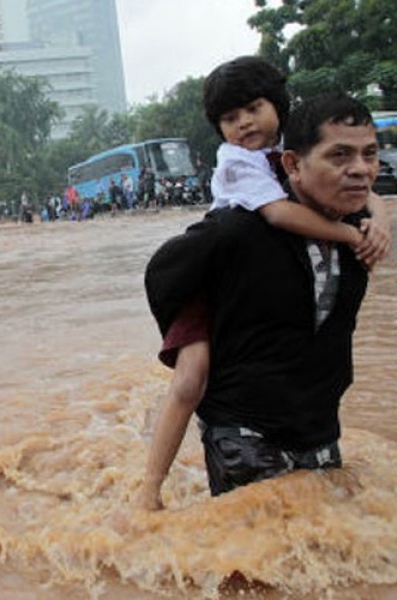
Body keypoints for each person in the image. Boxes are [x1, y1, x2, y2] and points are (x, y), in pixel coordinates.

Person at [138, 92, 389, 507]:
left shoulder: (361, 236)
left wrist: (380, 217)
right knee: (255, 563)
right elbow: (164, 269)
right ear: (293, 164)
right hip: (244, 432)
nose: (360, 170)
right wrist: (193, 338)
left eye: (369, 154)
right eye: (340, 156)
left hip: (319, 429)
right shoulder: (238, 230)